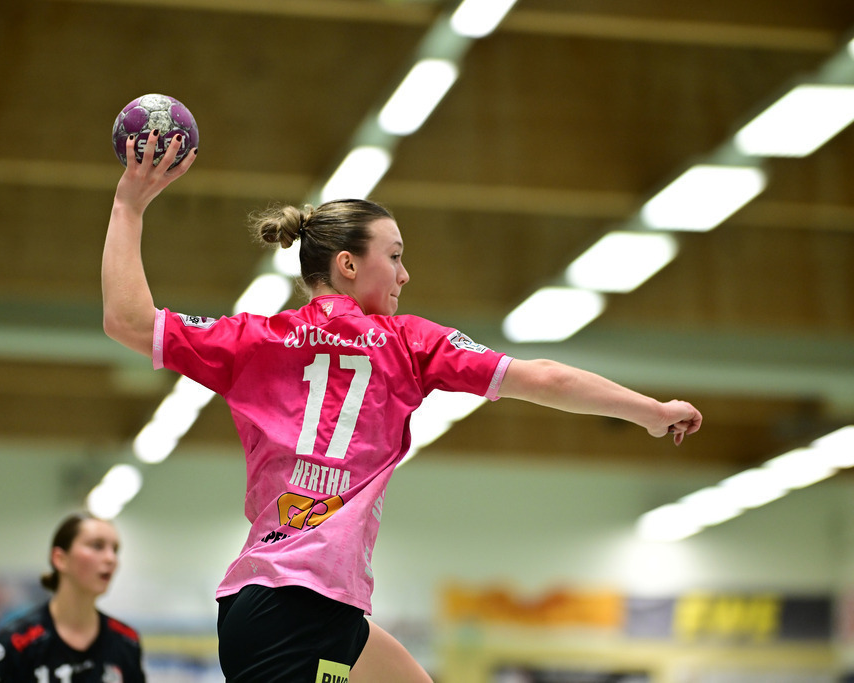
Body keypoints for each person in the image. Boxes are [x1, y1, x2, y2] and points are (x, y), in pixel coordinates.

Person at [101, 132, 702, 682]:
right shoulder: (410, 342)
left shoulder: (254, 340)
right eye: (394, 255)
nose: (405, 273)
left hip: (295, 607)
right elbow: (542, 377)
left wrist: (129, 207)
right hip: (295, 610)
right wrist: (648, 410)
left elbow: (128, 322)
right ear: (348, 264)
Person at [0, 513, 145, 683]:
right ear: (60, 559)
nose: (111, 558)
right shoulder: (18, 641)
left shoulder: (126, 641)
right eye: (97, 546)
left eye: (115, 550)